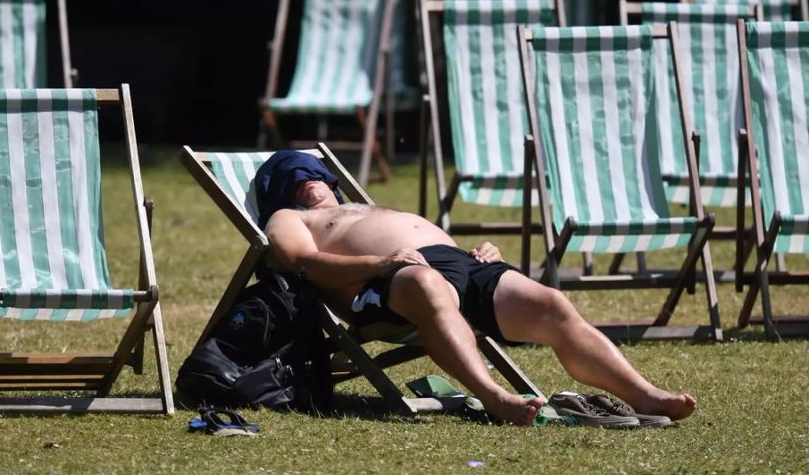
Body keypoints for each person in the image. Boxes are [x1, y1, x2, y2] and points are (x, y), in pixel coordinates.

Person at [257, 151, 697, 427]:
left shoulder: (359, 204)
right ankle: (495, 398)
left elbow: (414, 235)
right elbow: (303, 263)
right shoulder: (289, 218)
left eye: (311, 173)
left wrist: (473, 252)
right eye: (293, 180)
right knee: (428, 287)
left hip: (458, 263)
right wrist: (381, 262)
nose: (306, 181)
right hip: (384, 282)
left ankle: (643, 395)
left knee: (550, 303)